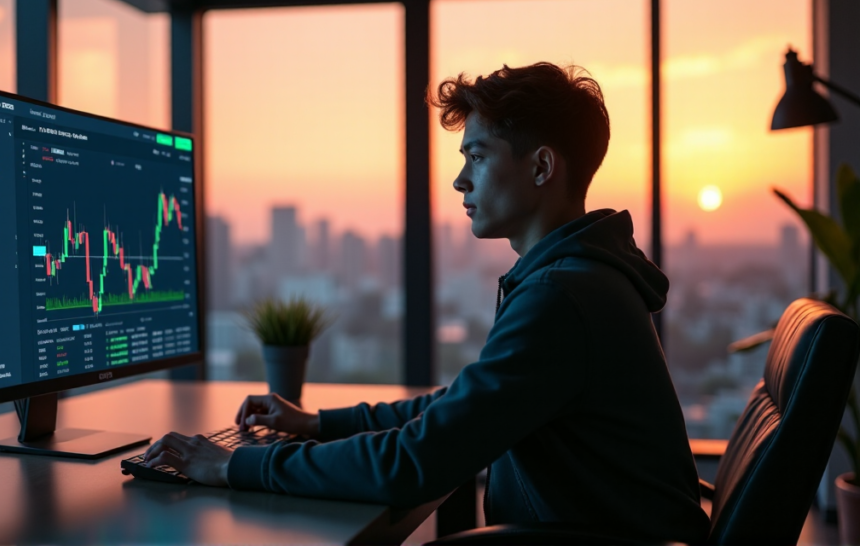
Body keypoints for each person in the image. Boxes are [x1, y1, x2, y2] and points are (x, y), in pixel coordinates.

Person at [142, 62, 710, 543]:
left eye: (479, 157)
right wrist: (317, 424)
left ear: (541, 166)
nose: (461, 181)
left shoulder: (562, 296)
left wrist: (233, 463)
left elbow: (415, 461)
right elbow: (461, 409)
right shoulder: (575, 278)